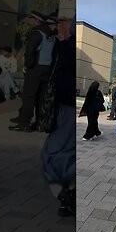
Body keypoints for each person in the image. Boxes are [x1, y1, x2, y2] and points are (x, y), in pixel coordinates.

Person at [40, 23, 75, 217]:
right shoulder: (68, 49)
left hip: (62, 106)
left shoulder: (62, 48)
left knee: (54, 152)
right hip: (69, 108)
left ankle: (64, 195)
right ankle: (68, 194)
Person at [10, 12, 58, 132]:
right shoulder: (52, 36)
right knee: (41, 98)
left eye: (31, 18)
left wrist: (28, 66)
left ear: (37, 20)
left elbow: (30, 52)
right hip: (47, 70)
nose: (29, 21)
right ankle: (39, 123)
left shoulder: (36, 33)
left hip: (35, 68)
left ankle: (24, 123)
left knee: (29, 96)